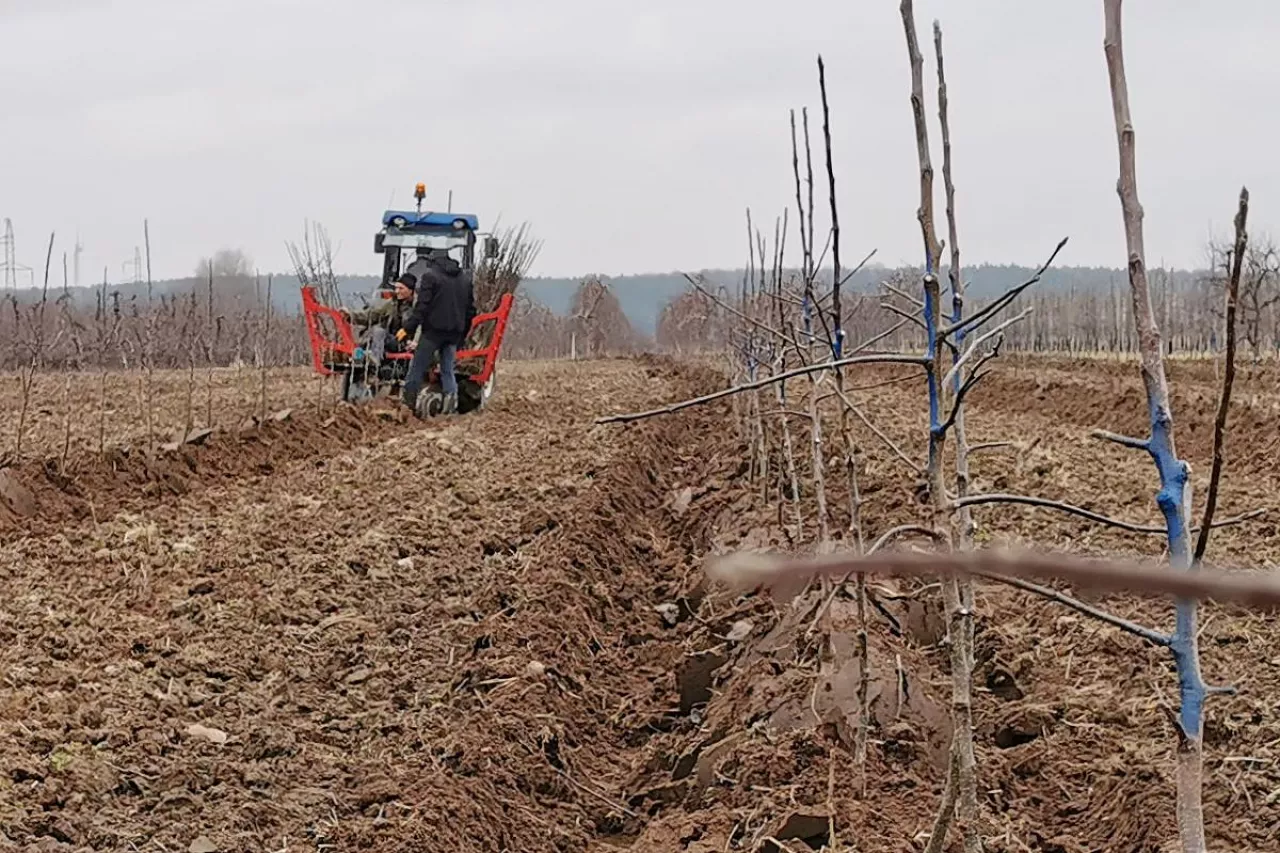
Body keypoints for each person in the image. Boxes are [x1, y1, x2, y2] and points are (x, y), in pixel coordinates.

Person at [397, 252, 476, 415]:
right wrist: (463, 334)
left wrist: (407, 329)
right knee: (447, 370)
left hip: (433, 333)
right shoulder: (465, 280)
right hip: (454, 333)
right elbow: (470, 311)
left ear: (432, 261)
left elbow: (422, 308)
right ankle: (450, 407)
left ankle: (407, 406)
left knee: (417, 368)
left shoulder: (430, 277)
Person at [341, 275, 415, 363]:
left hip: (407, 343)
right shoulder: (391, 304)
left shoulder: (419, 308)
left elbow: (421, 328)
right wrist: (350, 315)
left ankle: (373, 358)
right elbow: (371, 314)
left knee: (379, 332)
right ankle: (363, 357)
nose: (397, 291)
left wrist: (415, 342)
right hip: (392, 339)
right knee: (376, 331)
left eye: (401, 288)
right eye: (396, 288)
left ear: (410, 290)